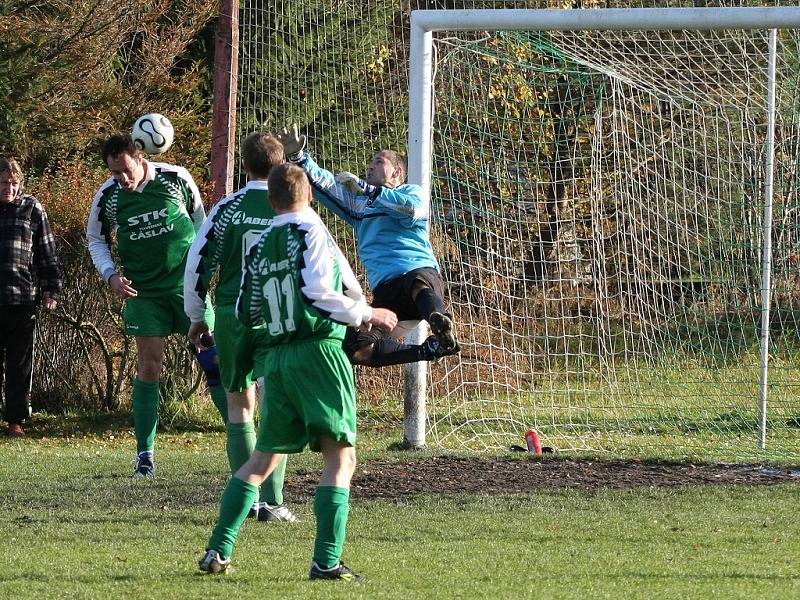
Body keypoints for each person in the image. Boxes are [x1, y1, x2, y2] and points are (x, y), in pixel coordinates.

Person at [198, 163, 397, 580]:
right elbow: (320, 293)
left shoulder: (259, 244)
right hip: (317, 355)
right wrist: (368, 313)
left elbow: (243, 310)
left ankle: (218, 549)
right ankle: (326, 561)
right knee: (340, 456)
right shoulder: (311, 231)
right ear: (308, 196)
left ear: (271, 202)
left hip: (276, 359)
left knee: (262, 458)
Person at [87, 134, 224, 478]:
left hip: (185, 288)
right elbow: (96, 238)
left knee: (211, 358)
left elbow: (200, 225)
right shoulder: (109, 195)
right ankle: (145, 456)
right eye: (115, 173)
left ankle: (240, 435)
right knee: (149, 366)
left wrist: (199, 274)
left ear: (139, 157)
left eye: (126, 170)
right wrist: (110, 275)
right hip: (143, 293)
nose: (122, 179)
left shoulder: (176, 178)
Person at [277, 125, 459, 368]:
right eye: (371, 162)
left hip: (420, 277)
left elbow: (410, 210)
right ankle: (431, 349)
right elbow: (327, 185)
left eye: (379, 161)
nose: (370, 166)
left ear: (396, 173)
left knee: (417, 282)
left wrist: (370, 191)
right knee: (357, 347)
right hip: (387, 291)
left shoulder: (411, 192)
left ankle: (441, 322)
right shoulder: (360, 205)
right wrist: (299, 158)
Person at [184, 132, 296, 523]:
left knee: (239, 404)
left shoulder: (228, 207)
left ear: (244, 165)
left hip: (233, 315)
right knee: (275, 403)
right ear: (282, 163)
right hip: (278, 314)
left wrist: (197, 315)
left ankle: (246, 501)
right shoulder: (290, 205)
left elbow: (198, 262)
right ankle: (275, 502)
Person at [0, 157, 61, 437]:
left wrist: (51, 290)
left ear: (20, 183)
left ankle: (15, 421)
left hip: (22, 298)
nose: (8, 189)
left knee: (19, 365)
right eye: (3, 183)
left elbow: (47, 252)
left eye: (13, 184)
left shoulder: (32, 208)